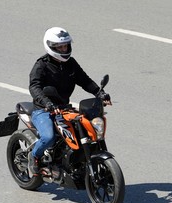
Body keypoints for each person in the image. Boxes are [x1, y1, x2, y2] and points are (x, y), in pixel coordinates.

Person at [28, 27, 111, 175]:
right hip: (43, 109)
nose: (63, 48)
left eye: (65, 45)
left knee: (85, 127)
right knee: (49, 137)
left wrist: (99, 93)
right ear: (51, 47)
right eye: (59, 46)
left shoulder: (70, 63)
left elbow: (84, 80)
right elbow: (34, 87)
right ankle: (33, 157)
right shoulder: (41, 65)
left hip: (64, 107)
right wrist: (47, 103)